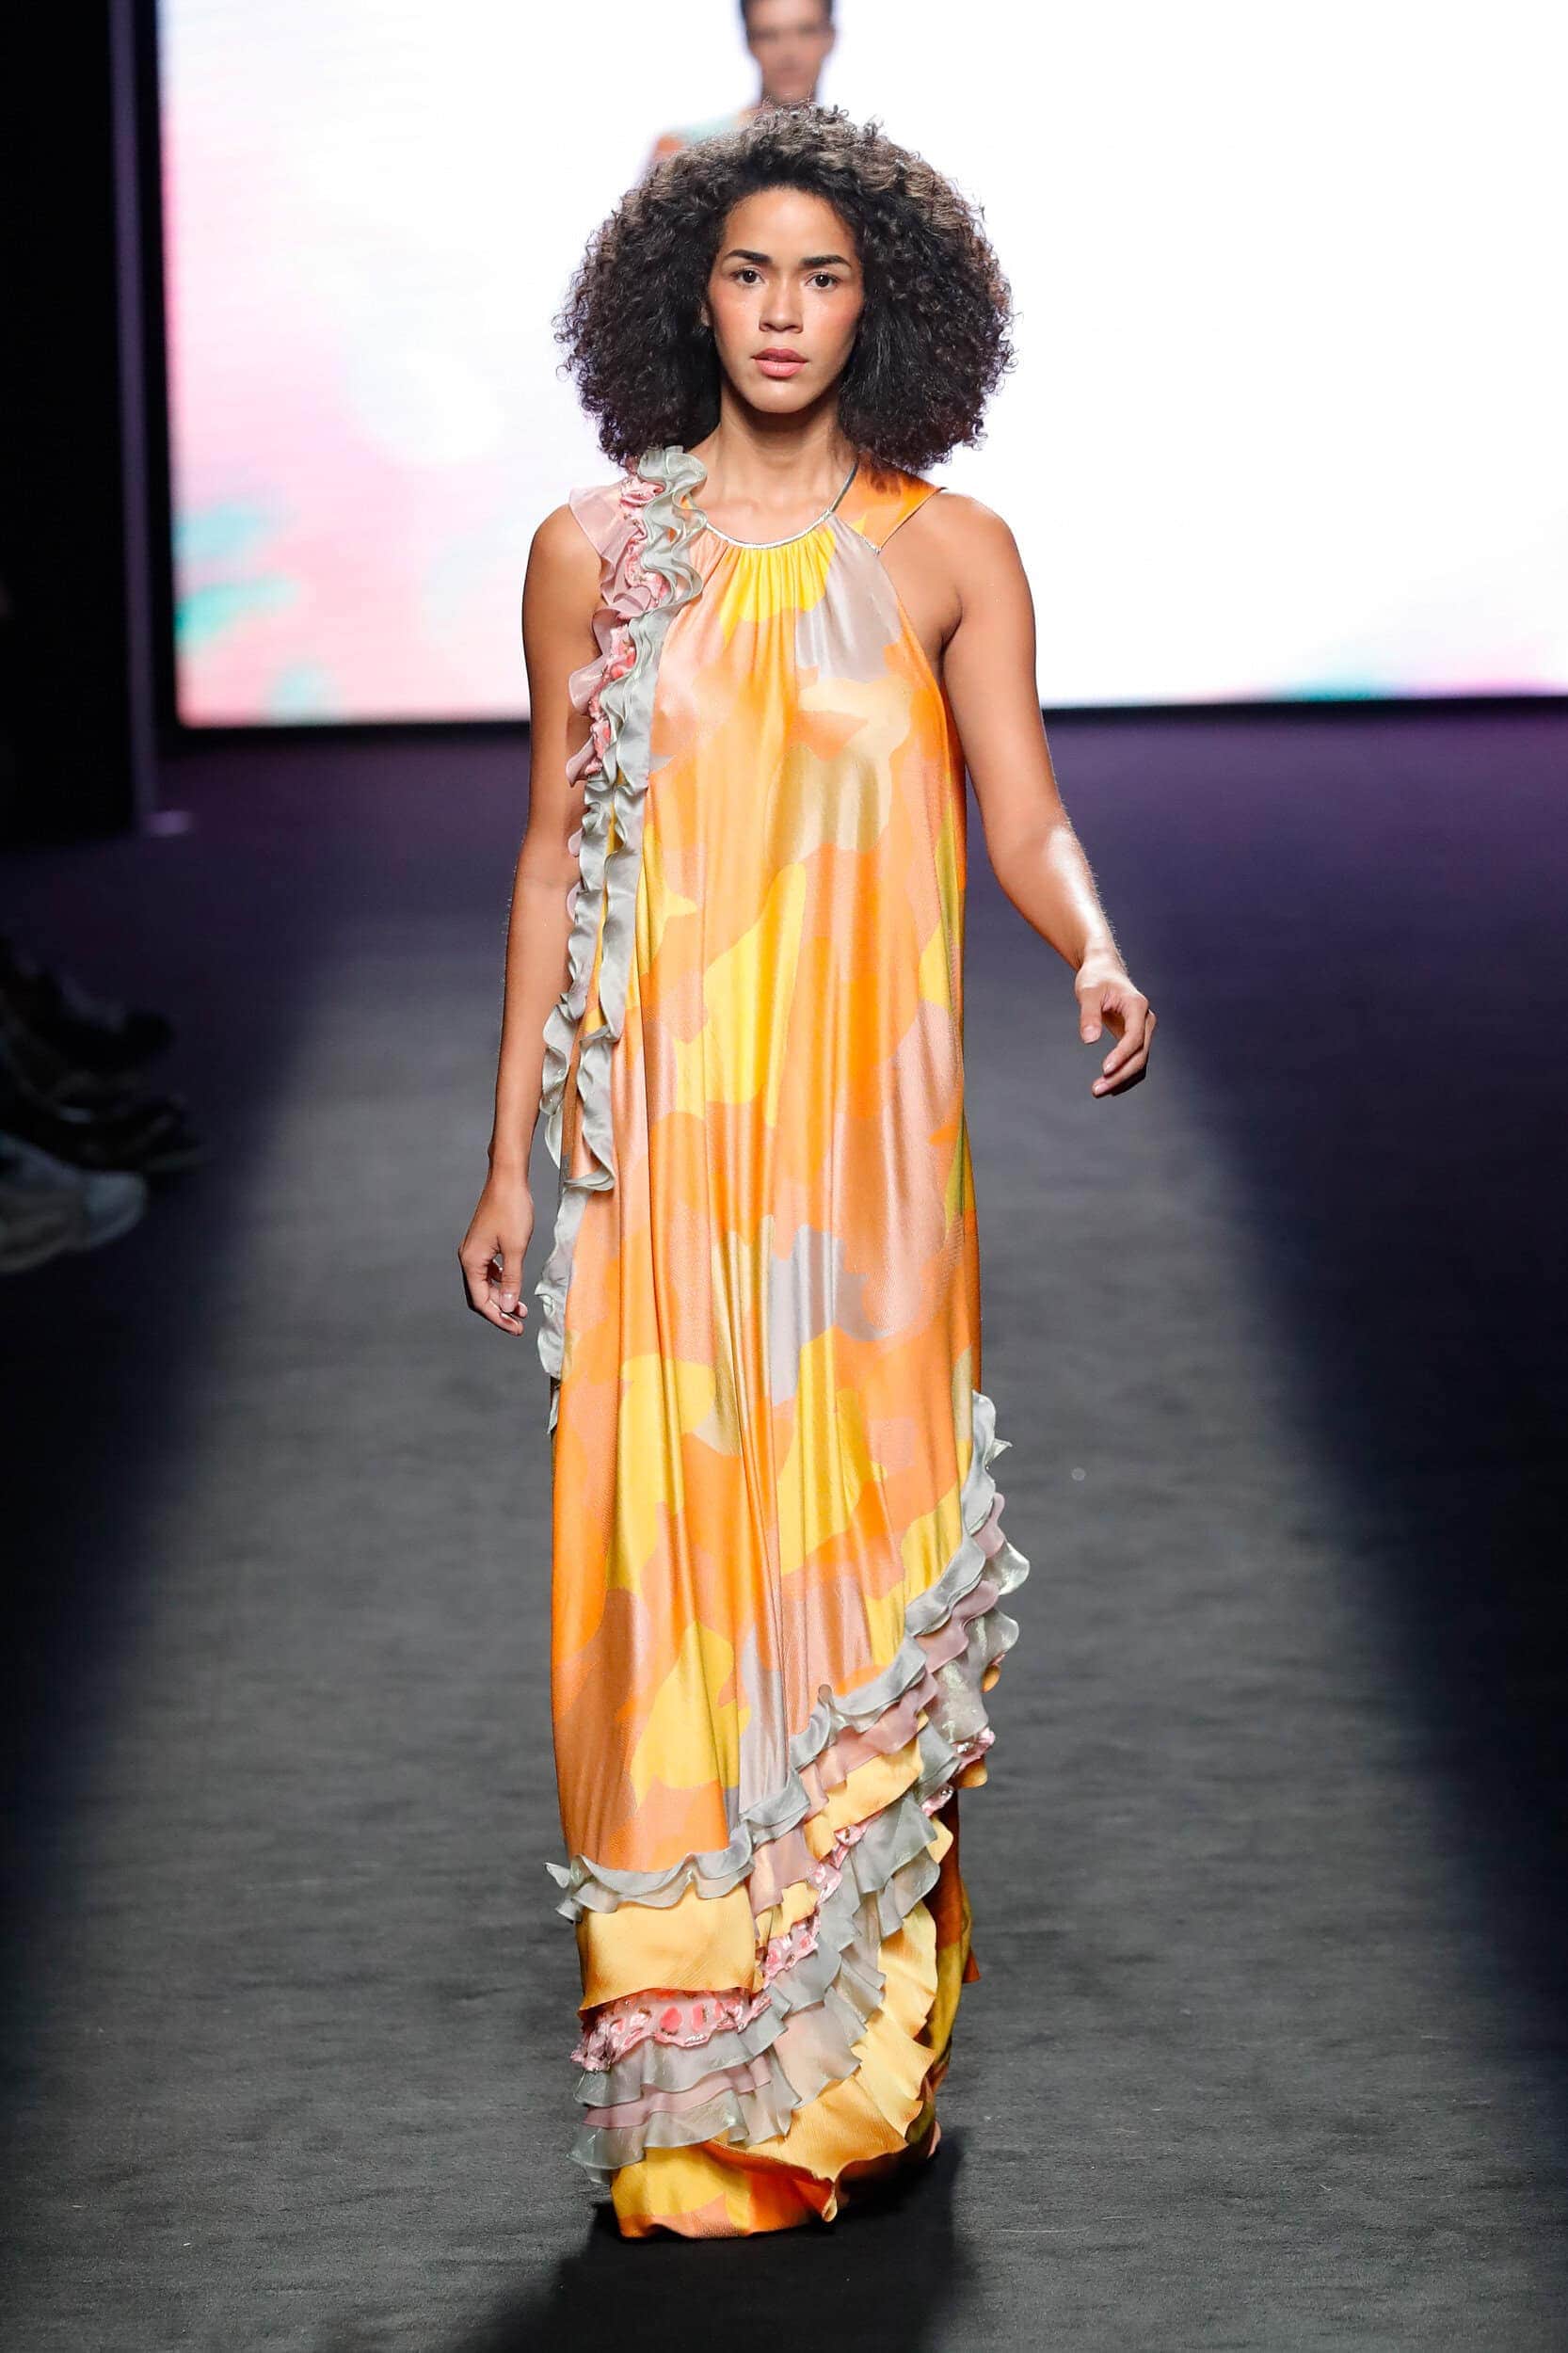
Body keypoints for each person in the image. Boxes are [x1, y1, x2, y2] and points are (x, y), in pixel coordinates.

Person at [459, 103, 1156, 2241]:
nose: (782, 311)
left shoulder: (949, 551)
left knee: (861, 1565)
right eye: (750, 272)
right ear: (690, 295)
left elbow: (1021, 805)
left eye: (823, 276)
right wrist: (510, 1161)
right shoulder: (594, 552)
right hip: (663, 1153)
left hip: (868, 1164)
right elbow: (554, 856)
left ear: (884, 307)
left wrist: (1090, 939)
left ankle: (852, 2071)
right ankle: (694, 2106)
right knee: (667, 1594)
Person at [642, 0, 836, 172]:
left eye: (806, 32)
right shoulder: (683, 153)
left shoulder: (850, 157)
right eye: (768, 35)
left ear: (830, 37)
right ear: (749, 42)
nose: (788, 53)